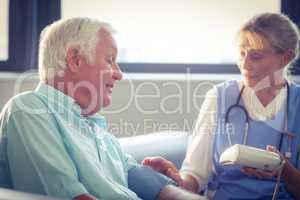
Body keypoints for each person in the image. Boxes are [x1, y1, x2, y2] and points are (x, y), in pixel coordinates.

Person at [0, 17, 206, 200]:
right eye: (110, 60)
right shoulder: (29, 110)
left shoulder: (95, 126)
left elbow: (134, 173)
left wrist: (172, 188)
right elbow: (68, 194)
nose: (119, 74)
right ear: (75, 60)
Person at [143, 13, 300, 199]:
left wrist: (285, 171)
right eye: (242, 53)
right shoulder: (219, 97)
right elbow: (194, 177)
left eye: (256, 56)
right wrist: (174, 178)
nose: (244, 64)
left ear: (286, 57)